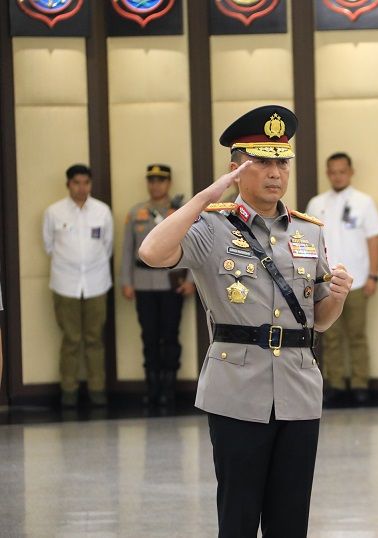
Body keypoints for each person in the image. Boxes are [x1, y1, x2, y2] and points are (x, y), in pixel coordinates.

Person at [138, 105, 353, 537]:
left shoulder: (308, 231)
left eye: (282, 162)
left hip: (298, 389)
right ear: (236, 169)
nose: (275, 172)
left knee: (290, 520)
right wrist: (205, 197)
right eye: (262, 162)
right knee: (238, 515)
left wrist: (338, 297)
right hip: (237, 390)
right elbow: (152, 252)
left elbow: (319, 321)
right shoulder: (211, 226)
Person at [305, 152, 378, 404]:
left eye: (342, 171)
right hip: (326, 282)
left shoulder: (364, 202)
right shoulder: (316, 204)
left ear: (351, 172)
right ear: (327, 173)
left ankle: (361, 385)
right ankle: (336, 384)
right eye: (333, 172)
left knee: (357, 334)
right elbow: (308, 241)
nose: (337, 176)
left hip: (358, 280)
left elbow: (374, 240)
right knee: (330, 336)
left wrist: (373, 276)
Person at [120, 164, 195, 406]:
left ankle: (169, 389)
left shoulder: (180, 210)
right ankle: (152, 388)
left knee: (170, 336)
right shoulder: (136, 213)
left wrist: (191, 281)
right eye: (151, 180)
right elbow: (127, 249)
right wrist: (126, 281)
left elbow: (194, 246)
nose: (156, 185)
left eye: (160, 180)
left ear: (169, 183)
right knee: (149, 336)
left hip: (172, 282)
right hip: (143, 284)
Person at [43, 164, 113, 408]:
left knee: (94, 339)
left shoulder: (102, 211)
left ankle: (97, 391)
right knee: (71, 339)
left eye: (86, 183)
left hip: (96, 282)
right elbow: (49, 246)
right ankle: (69, 392)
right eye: (76, 183)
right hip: (65, 283)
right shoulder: (54, 212)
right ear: (68, 184)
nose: (82, 188)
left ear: (90, 184)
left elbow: (107, 246)